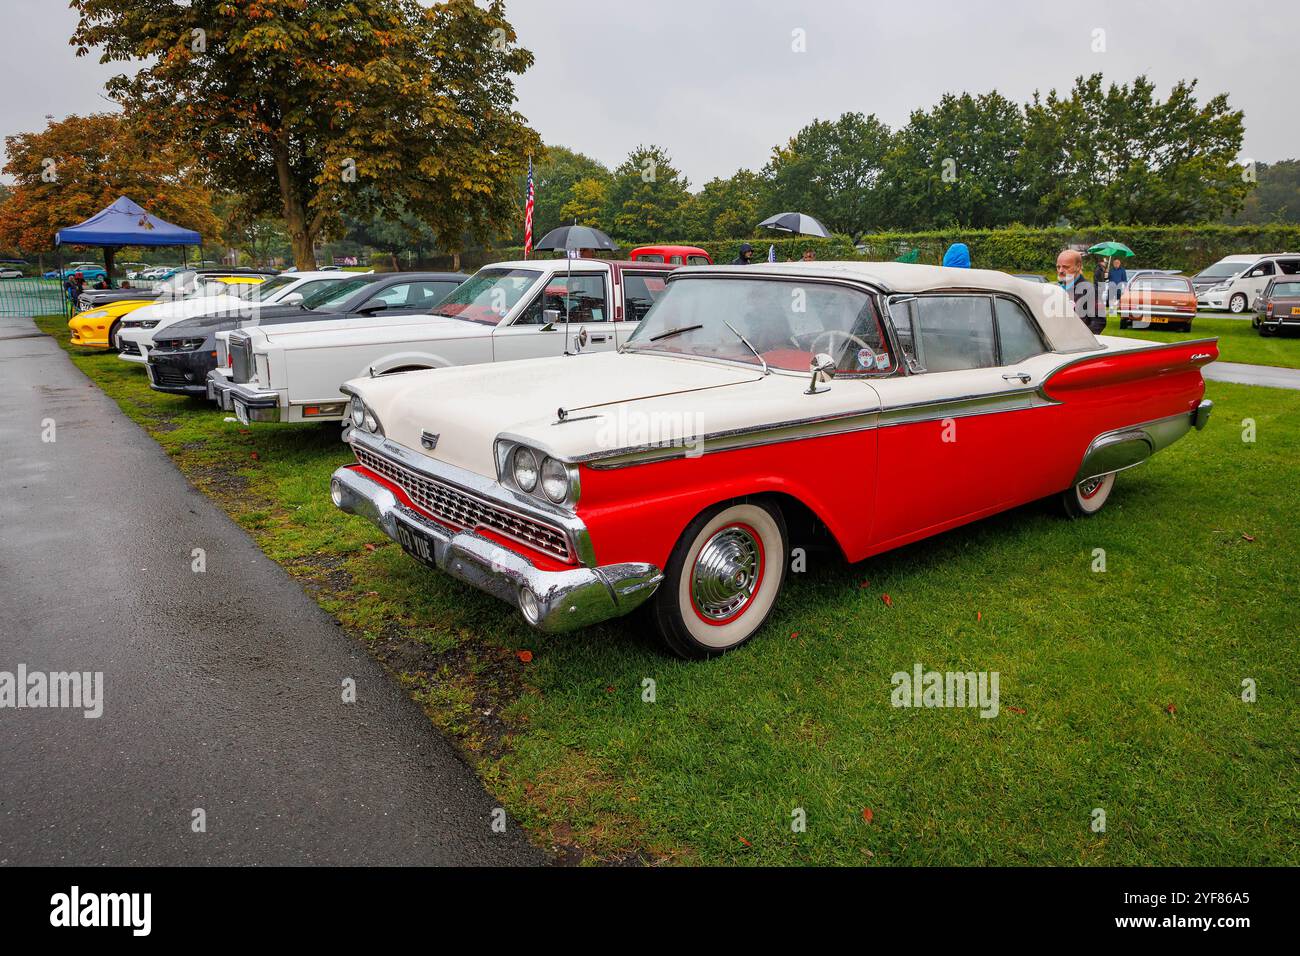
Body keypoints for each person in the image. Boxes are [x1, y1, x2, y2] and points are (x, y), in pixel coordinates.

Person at [1057, 249, 1105, 334]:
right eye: (1058, 267)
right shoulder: (1056, 289)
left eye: (1066, 267)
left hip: (1077, 344)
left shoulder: (1090, 290)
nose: (1060, 271)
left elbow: (1099, 322)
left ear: (1078, 267)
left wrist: (1081, 339)